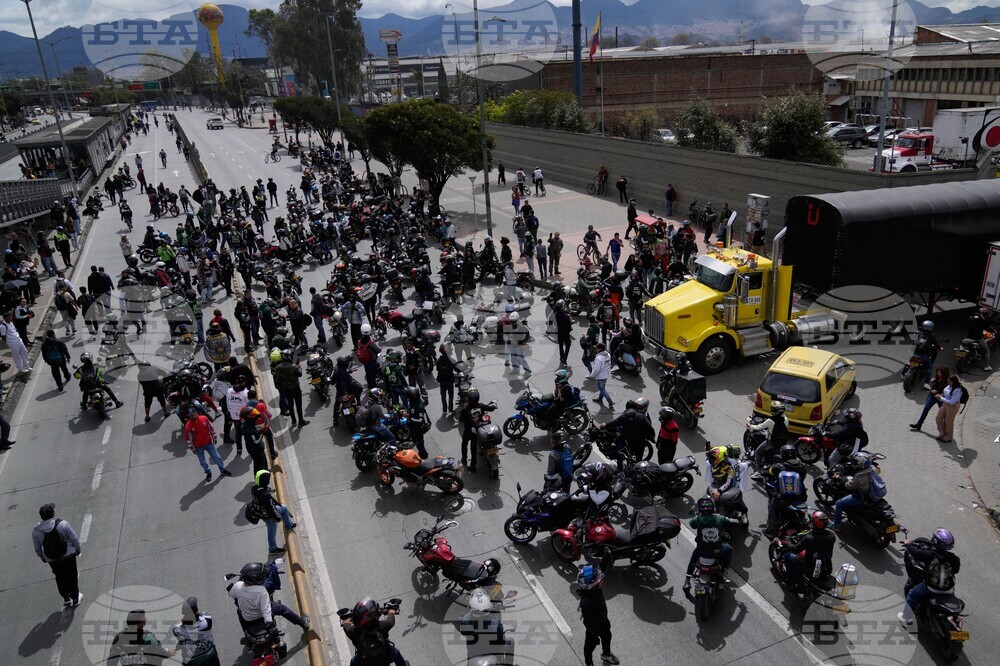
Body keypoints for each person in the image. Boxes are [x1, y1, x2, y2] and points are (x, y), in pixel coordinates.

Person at [898, 528, 961, 630]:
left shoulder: (930, 555)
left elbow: (915, 552)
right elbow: (956, 570)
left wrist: (908, 544)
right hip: (949, 589)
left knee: (912, 594)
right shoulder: (955, 559)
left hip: (931, 587)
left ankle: (905, 619)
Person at [682, 497, 740, 592]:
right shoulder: (719, 518)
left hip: (701, 551)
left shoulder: (698, 519)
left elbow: (692, 523)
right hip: (717, 551)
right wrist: (736, 520)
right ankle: (725, 571)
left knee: (692, 560)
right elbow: (734, 523)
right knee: (729, 548)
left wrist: (696, 515)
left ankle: (687, 581)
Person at [32, 503, 82, 608]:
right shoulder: (63, 524)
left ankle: (66, 598)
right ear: (53, 513)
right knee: (72, 575)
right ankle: (75, 598)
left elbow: (37, 548)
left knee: (59, 576)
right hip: (68, 555)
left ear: (41, 516)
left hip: (52, 559)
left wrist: (42, 557)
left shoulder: (36, 531)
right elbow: (73, 538)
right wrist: (78, 548)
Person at [340, 597, 407, 666]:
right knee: (396, 653)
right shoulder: (382, 625)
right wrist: (391, 612)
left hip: (363, 660)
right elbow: (390, 622)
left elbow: (345, 626)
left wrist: (346, 621)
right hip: (385, 656)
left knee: (353, 662)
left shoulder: (351, 631)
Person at [576, 564, 619, 666]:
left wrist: (606, 557)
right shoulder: (586, 603)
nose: (602, 580)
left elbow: (600, 566)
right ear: (593, 586)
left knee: (607, 636)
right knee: (588, 649)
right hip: (594, 630)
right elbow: (588, 622)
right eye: (599, 580)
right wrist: (593, 635)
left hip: (604, 623)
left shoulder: (594, 589)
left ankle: (606, 654)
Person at [783, 511, 836, 588]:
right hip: (827, 567)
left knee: (788, 556)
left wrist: (787, 543)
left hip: (809, 567)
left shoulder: (809, 538)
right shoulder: (831, 535)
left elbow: (795, 549)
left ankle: (790, 583)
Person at [829, 452, 877, 529]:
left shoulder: (859, 477)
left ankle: (835, 524)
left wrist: (840, 478)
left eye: (855, 462)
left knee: (839, 503)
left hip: (862, 497)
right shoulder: (873, 469)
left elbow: (849, 486)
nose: (854, 463)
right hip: (874, 493)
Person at [252, 470, 296, 554]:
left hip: (262, 513)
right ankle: (272, 549)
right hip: (269, 516)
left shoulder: (255, 488)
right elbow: (271, 508)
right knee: (272, 532)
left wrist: (277, 503)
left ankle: (288, 525)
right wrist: (278, 518)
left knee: (282, 508)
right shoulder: (265, 495)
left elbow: (270, 500)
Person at [107, 609, 172, 665]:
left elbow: (112, 659)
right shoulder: (148, 637)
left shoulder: (119, 637)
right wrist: (169, 653)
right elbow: (160, 651)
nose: (146, 619)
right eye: (144, 618)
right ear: (140, 624)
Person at [170, 597, 220, 666]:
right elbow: (204, 614)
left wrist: (181, 622)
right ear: (197, 611)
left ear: (183, 613)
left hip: (192, 661)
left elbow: (180, 638)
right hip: (210, 656)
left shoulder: (177, 630)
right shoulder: (207, 622)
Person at [748, 401, 790, 481]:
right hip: (783, 442)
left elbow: (759, 427)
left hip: (772, 442)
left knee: (758, 452)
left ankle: (759, 472)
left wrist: (750, 426)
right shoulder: (785, 419)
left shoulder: (770, 421)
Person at [185, 411, 230, 481]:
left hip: (208, 443)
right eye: (190, 416)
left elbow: (211, 428)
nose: (192, 417)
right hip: (198, 447)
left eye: (193, 415)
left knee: (217, 457)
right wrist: (192, 448)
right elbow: (188, 438)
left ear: (197, 413)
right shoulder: (188, 426)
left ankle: (223, 470)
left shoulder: (204, 418)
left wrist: (214, 437)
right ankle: (208, 473)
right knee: (202, 462)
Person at [459, 388, 496, 472]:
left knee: (464, 443)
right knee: (473, 448)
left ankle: (464, 459)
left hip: (468, 430)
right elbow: (491, 408)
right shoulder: (481, 406)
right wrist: (494, 404)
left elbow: (461, 419)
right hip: (478, 430)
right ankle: (473, 465)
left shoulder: (466, 409)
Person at [273, 350, 309, 427]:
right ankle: (301, 421)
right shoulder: (294, 366)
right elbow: (299, 374)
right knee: (298, 405)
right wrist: (299, 367)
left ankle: (293, 421)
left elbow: (278, 380)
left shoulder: (278, 367)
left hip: (286, 389)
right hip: (296, 388)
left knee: (290, 405)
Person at [910, 366, 951, 431]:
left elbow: (947, 391)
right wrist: (933, 381)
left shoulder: (947, 381)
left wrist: (937, 391)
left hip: (940, 398)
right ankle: (919, 424)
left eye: (940, 372)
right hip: (932, 396)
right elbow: (933, 383)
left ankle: (945, 428)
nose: (938, 373)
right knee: (926, 409)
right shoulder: (937, 378)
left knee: (943, 413)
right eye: (938, 372)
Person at [934, 375, 965, 442]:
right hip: (945, 404)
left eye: (950, 382)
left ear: (954, 382)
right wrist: (941, 395)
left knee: (948, 422)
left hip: (952, 407)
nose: (948, 383)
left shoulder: (957, 390)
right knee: (938, 418)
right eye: (948, 382)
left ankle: (948, 436)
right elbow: (946, 392)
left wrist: (941, 398)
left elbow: (952, 402)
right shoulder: (949, 386)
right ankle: (942, 433)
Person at [0, 310, 31, 374]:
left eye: (11, 317)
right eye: (9, 317)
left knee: (24, 352)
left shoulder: (11, 323)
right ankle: (20, 368)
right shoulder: (3, 326)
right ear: (5, 318)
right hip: (12, 342)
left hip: (18, 340)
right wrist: (8, 341)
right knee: (16, 355)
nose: (11, 318)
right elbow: (3, 336)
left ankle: (26, 366)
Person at [588, 342, 614, 408]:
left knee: (601, 388)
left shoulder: (599, 358)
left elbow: (596, 370)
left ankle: (610, 401)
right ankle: (600, 398)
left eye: (597, 348)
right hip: (606, 374)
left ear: (600, 349)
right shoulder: (608, 354)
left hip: (601, 376)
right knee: (603, 387)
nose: (596, 349)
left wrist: (591, 375)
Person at [436, 344, 457, 414]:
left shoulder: (438, 360)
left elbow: (437, 369)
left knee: (443, 396)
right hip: (450, 381)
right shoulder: (451, 360)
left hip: (442, 381)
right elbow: (457, 368)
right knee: (450, 395)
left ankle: (444, 410)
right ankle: (450, 409)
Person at [554, 300, 573, 365]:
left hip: (559, 333)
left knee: (561, 345)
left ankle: (561, 357)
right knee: (568, 345)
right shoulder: (566, 316)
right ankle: (564, 358)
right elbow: (569, 327)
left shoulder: (555, 315)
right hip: (566, 333)